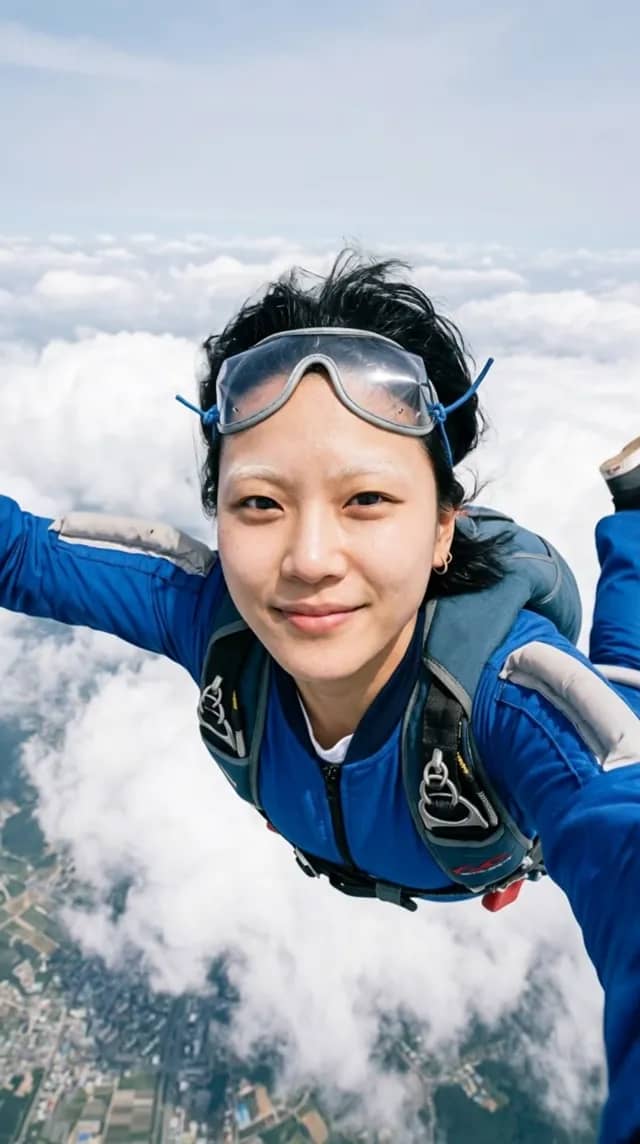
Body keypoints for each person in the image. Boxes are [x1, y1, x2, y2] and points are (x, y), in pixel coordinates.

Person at [1, 252, 639, 1142]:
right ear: (216, 516)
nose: (307, 560)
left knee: (622, 689)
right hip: (425, 857)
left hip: (494, 831)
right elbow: (22, 554)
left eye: (369, 499)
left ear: (442, 529)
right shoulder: (209, 618)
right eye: (258, 504)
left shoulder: (506, 699)